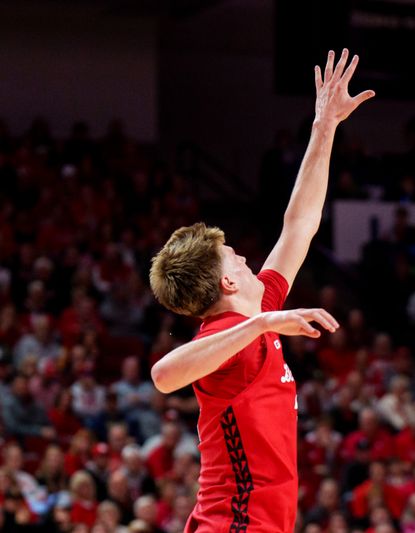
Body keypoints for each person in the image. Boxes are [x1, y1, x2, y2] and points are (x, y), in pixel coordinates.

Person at [148, 49, 374, 532]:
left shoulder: (257, 309)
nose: (248, 258)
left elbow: (300, 225)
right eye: (234, 256)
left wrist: (325, 126)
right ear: (228, 282)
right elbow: (165, 376)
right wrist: (266, 323)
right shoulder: (235, 330)